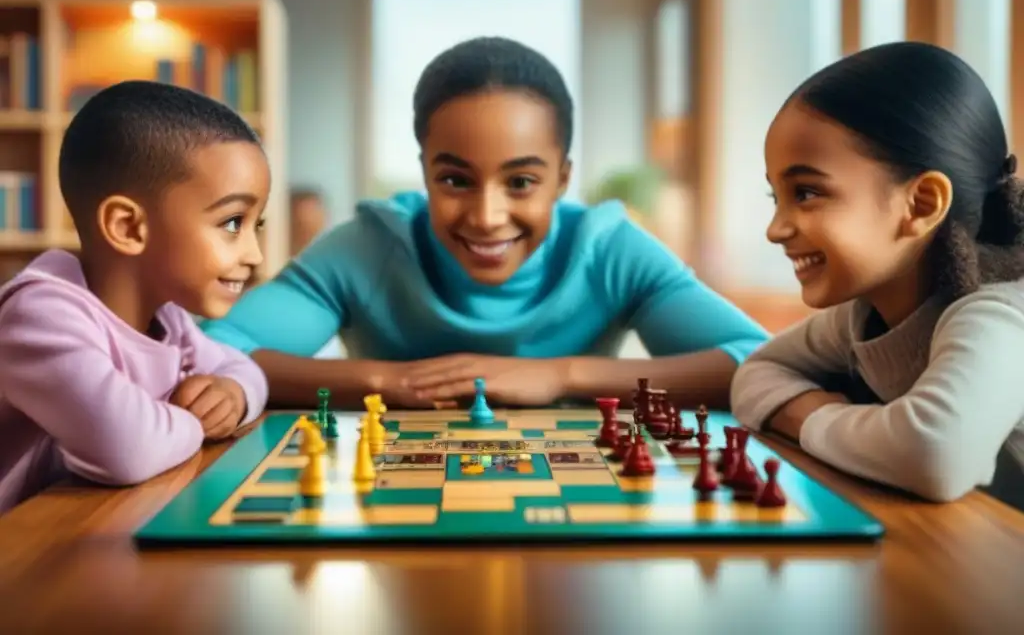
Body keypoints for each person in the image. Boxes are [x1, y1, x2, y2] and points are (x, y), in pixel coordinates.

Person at [202, 36, 768, 410]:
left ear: (563, 179)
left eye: (520, 182)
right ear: (424, 171)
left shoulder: (608, 248)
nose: (487, 217)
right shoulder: (367, 247)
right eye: (455, 180)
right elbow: (215, 351)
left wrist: (563, 376)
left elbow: (755, 361)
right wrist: (389, 383)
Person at [731, 41, 1024, 511]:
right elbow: (756, 372)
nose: (776, 229)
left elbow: (934, 455)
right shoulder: (864, 314)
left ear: (921, 204)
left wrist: (810, 416)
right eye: (777, 198)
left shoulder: (1000, 316)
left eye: (806, 193)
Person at [0, 81, 270, 514]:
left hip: (80, 531)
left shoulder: (168, 319)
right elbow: (127, 448)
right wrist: (196, 422)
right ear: (127, 227)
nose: (255, 254)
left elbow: (243, 368)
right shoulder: (38, 317)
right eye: (233, 222)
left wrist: (233, 394)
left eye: (256, 225)